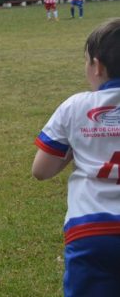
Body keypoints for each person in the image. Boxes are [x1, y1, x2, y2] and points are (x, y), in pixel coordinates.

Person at [32, 18, 120, 296]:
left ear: (97, 66)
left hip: (91, 229)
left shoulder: (75, 106)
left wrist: (74, 148)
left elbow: (41, 170)